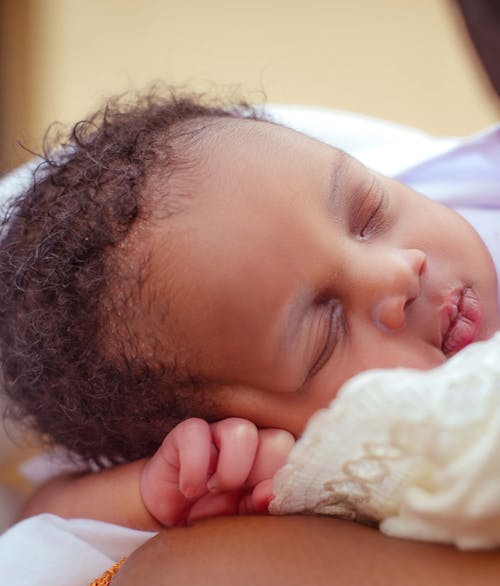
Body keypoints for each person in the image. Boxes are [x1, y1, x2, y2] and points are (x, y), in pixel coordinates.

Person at [2, 89, 500, 532]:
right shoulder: (307, 468)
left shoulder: (484, 208)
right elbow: (40, 522)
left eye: (369, 215)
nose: (397, 274)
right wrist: (151, 491)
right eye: (325, 331)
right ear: (250, 430)